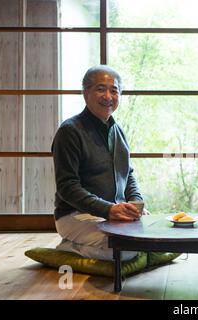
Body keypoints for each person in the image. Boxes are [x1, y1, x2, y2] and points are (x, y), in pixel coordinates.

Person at [51, 65, 145, 261]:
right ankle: (69, 247)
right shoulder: (70, 131)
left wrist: (135, 203)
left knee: (153, 239)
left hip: (113, 214)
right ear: (86, 93)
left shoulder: (117, 130)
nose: (108, 96)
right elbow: (67, 187)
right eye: (101, 89)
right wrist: (108, 209)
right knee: (125, 251)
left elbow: (128, 174)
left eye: (114, 90)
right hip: (76, 216)